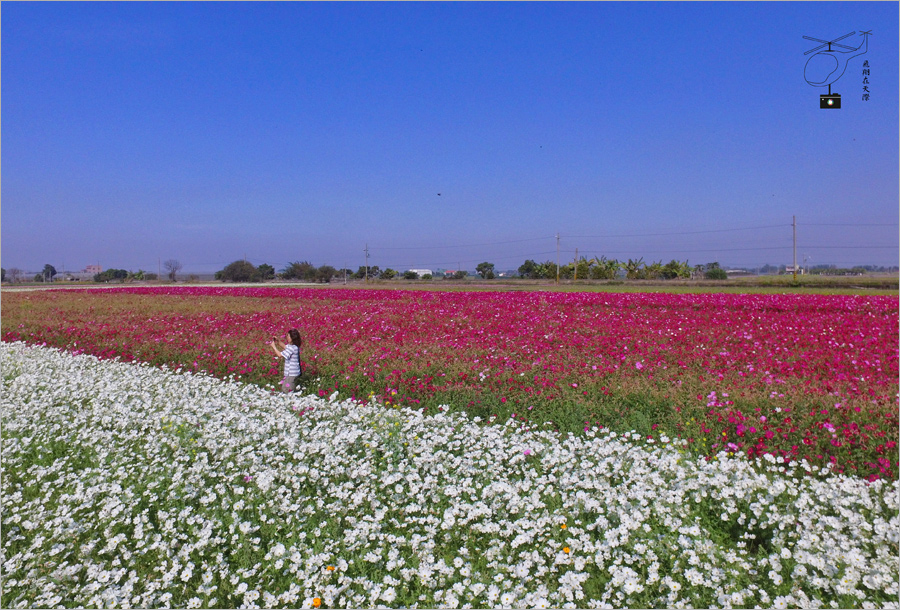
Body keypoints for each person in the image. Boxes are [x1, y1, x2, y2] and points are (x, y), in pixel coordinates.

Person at [269, 329, 302, 393]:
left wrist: (273, 347)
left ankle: (292, 398)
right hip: (293, 373)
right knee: (287, 386)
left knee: (286, 389)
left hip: (291, 373)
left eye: (288, 336)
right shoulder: (294, 346)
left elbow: (279, 355)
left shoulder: (292, 348)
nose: (287, 337)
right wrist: (277, 341)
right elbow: (284, 346)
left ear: (292, 338)